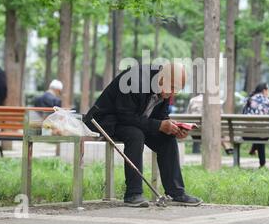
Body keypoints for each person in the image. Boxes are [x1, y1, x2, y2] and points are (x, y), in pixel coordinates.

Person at [84, 63, 202, 207]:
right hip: (108, 120)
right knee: (136, 135)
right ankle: (133, 194)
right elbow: (125, 116)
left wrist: (173, 128)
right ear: (161, 78)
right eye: (171, 88)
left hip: (137, 121)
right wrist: (159, 125)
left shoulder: (165, 87)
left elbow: (162, 116)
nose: (172, 94)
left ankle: (176, 193)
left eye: (177, 90)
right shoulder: (134, 80)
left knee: (167, 138)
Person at [242, 83, 269, 168]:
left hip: (247, 135)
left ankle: (260, 161)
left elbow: (243, 114)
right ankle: (262, 163)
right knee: (260, 133)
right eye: (267, 90)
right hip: (263, 135)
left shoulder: (247, 100)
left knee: (257, 132)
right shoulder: (268, 101)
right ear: (264, 91)